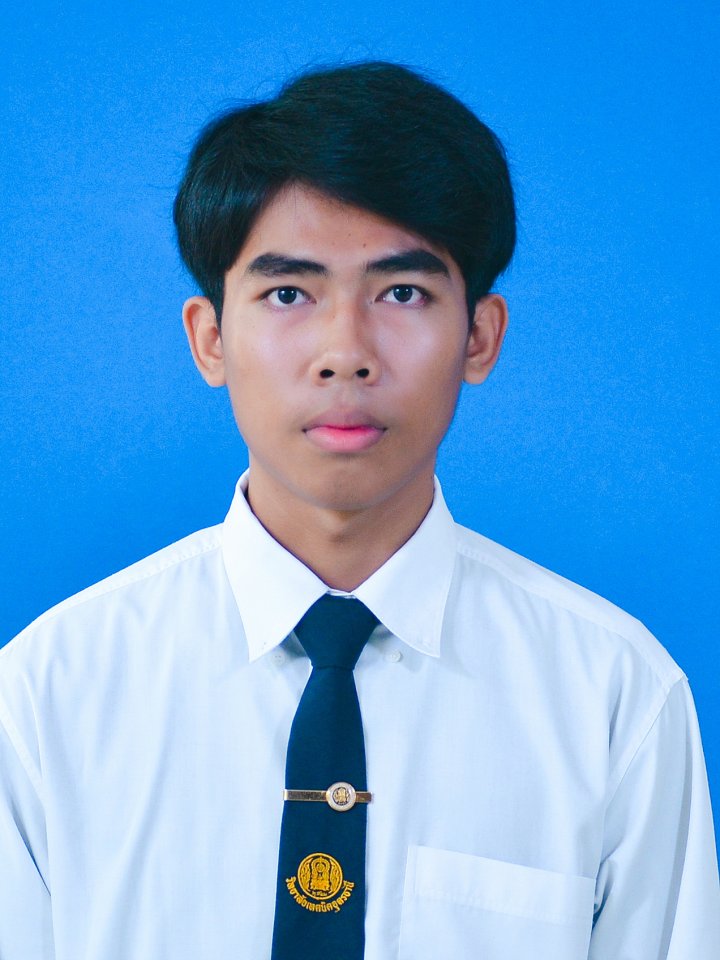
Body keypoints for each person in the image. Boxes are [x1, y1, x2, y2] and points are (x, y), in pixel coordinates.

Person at [0, 61, 717, 960]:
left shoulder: (615, 698)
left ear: (480, 336)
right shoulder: (45, 699)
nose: (346, 351)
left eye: (402, 293)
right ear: (211, 338)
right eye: (288, 294)